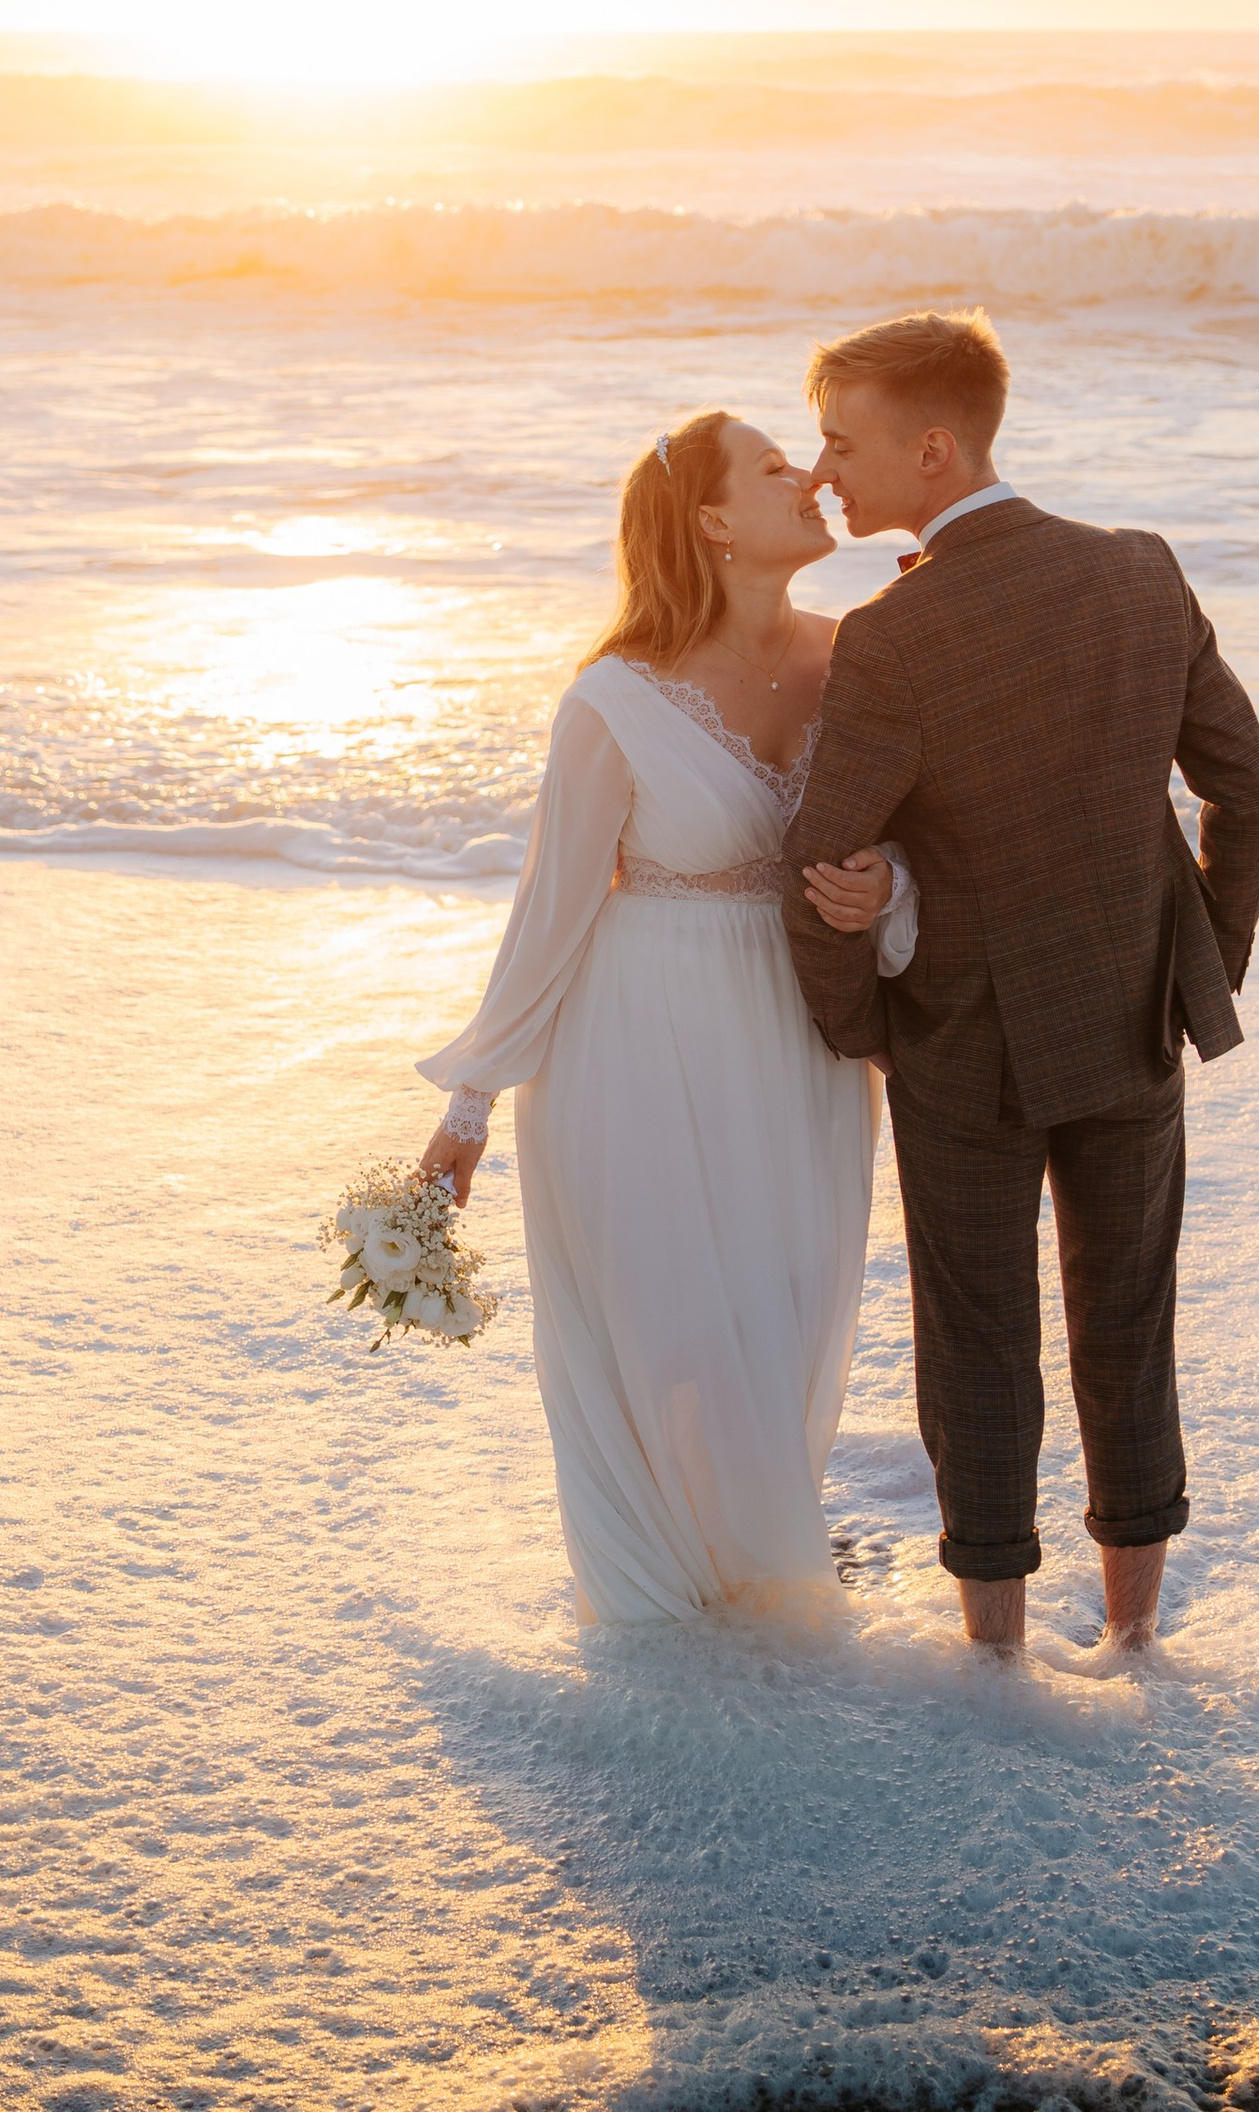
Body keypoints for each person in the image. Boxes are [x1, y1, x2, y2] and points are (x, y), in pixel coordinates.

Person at [781, 309, 1259, 1658]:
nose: (822, 472)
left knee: (980, 1343)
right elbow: (1248, 786)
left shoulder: (893, 634)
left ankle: (994, 1655)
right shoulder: (1138, 571)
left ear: (933, 450)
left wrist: (864, 1025)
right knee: (1130, 1324)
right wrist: (1195, 971)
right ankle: (1133, 1642)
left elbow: (817, 857)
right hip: (1130, 1030)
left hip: (964, 1045)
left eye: (841, 442)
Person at [413, 413, 912, 1625]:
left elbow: (923, 831)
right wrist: (469, 1107)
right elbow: (548, 913)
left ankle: (762, 1555)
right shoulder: (614, 702)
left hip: (801, 1036)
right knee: (678, 1319)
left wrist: (891, 889)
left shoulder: (860, 655)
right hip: (638, 1038)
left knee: (787, 1299)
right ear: (711, 523)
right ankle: (675, 1614)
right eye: (773, 467)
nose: (808, 478)